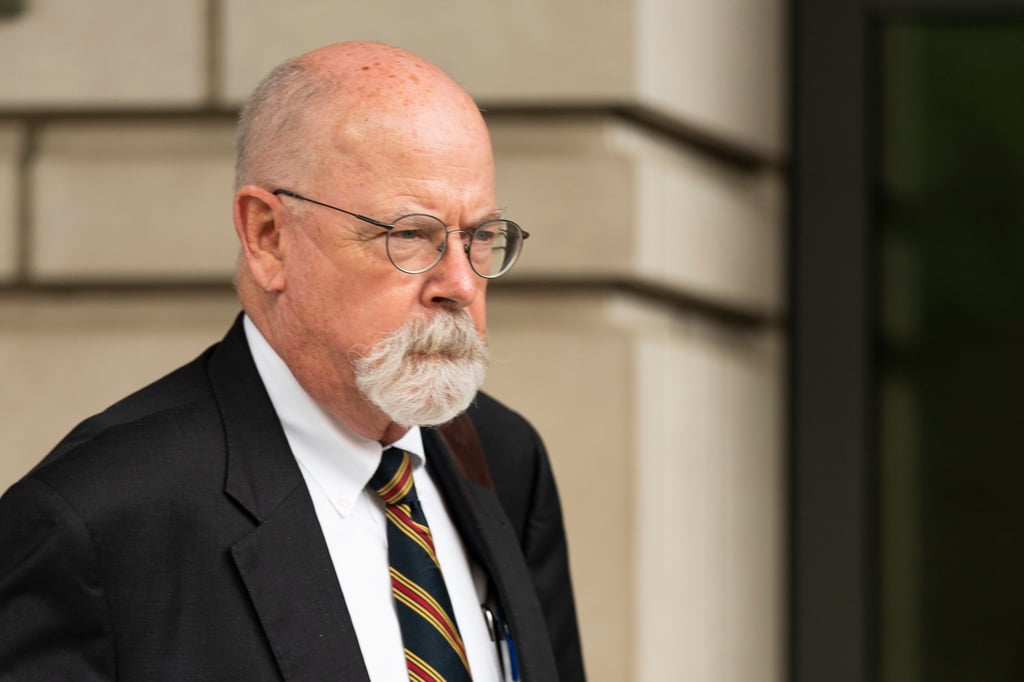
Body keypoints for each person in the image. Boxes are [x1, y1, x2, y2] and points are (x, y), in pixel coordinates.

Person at [0, 42, 585, 682]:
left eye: (478, 237)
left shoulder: (502, 458)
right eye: (411, 234)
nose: (461, 284)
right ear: (268, 238)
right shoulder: (99, 519)